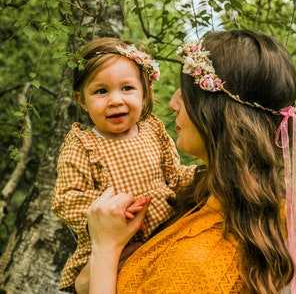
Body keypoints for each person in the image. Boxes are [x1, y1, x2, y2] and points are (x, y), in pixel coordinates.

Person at [75, 30, 296, 294]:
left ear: (218, 112)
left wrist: (104, 248)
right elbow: (85, 283)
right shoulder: (222, 199)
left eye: (187, 93)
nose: (172, 103)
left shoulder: (200, 264)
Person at [52, 37, 196, 293]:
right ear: (82, 100)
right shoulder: (83, 144)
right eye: (101, 91)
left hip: (164, 235)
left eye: (127, 88)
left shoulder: (153, 130)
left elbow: (174, 177)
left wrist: (201, 176)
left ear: (145, 91)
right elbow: (67, 198)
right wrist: (113, 212)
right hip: (112, 247)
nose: (115, 100)